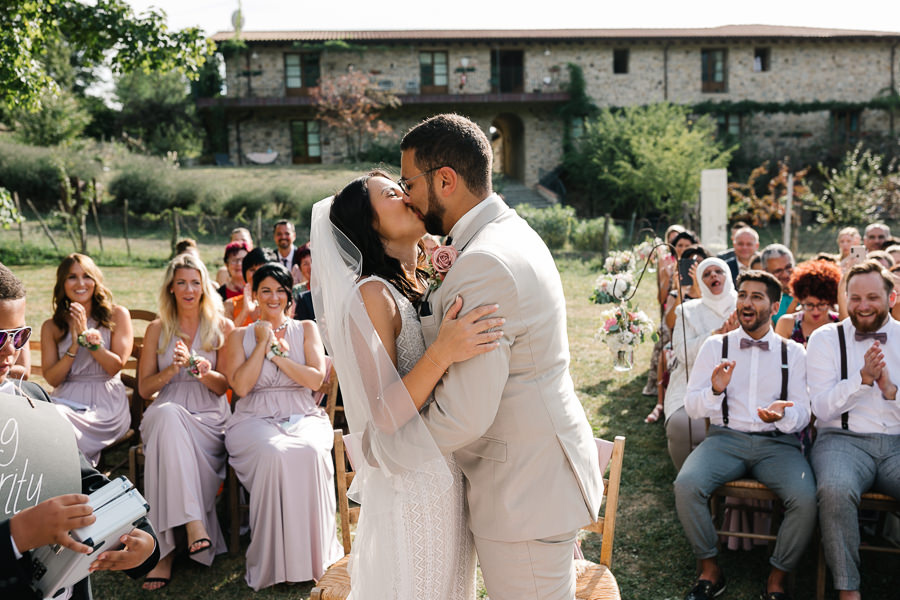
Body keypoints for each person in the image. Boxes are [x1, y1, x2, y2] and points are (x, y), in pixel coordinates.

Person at [393, 113, 603, 598]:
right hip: (536, 478)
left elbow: (464, 414)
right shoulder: (509, 232)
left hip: (522, 491)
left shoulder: (483, 262)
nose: (405, 197)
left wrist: (388, 452)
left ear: (445, 180)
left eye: (408, 183)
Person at [313, 170, 506, 599]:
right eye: (391, 195)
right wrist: (443, 352)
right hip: (417, 486)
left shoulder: (417, 282)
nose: (406, 196)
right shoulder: (372, 295)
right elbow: (383, 412)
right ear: (370, 223)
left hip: (449, 467)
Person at [0, 262, 159, 599]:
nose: (11, 351)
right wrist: (17, 536)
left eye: (19, 336)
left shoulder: (33, 399)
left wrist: (142, 537)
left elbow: (84, 479)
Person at [674, 270, 816, 600]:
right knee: (686, 485)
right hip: (725, 439)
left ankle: (777, 578)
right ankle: (710, 569)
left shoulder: (793, 354)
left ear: (775, 305)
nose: (746, 303)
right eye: (742, 295)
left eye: (756, 296)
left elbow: (804, 414)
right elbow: (693, 407)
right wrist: (713, 389)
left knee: (806, 499)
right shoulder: (715, 345)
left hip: (777, 444)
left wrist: (782, 415)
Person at [224, 263, 342, 590]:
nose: (273, 297)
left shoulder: (306, 329)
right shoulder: (238, 336)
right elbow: (243, 388)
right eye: (266, 290)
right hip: (253, 418)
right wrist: (262, 344)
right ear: (255, 296)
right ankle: (274, 565)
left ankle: (312, 561)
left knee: (309, 450)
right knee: (273, 453)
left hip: (302, 412)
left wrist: (278, 358)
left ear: (289, 296)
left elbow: (316, 379)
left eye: (280, 290)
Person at [137, 253, 233, 590]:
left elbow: (225, 386)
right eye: (181, 283)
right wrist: (172, 370)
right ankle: (193, 524)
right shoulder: (157, 329)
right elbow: (145, 388)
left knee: (169, 434)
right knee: (166, 417)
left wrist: (199, 369)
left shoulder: (222, 327)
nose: (189, 289)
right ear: (171, 289)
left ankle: (162, 552)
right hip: (166, 409)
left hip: (209, 417)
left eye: (195, 282)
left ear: (204, 287)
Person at [806, 260, 900, 600]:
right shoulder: (825, 339)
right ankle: (848, 591)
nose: (862, 306)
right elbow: (820, 409)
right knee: (834, 489)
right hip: (841, 442)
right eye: (855, 297)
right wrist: (860, 383)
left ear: (892, 297)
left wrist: (892, 392)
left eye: (872, 297)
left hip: (898, 443)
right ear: (845, 298)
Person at [40, 254, 133, 466]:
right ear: (63, 284)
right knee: (46, 421)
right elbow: (53, 379)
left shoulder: (118, 315)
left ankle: (78, 480)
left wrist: (87, 339)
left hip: (106, 403)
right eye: (72, 277)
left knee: (58, 426)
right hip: (65, 398)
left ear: (96, 280)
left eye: (87, 276)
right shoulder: (51, 326)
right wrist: (74, 345)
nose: (81, 283)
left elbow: (114, 367)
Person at [660, 257, 737, 470]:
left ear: (727, 276)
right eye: (706, 273)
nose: (713, 275)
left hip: (740, 382)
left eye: (718, 271)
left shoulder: (745, 305)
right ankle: (689, 480)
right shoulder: (688, 311)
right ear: (701, 283)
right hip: (692, 379)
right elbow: (683, 353)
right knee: (682, 425)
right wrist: (717, 334)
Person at [774, 259, 842, 345]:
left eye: (822, 305)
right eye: (809, 305)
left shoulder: (840, 324)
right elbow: (777, 356)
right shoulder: (787, 323)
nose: (815, 311)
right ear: (800, 300)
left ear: (831, 301)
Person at [224, 247, 277, 327]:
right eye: (252, 270)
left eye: (262, 270)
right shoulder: (230, 305)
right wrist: (245, 311)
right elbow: (225, 337)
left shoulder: (278, 303)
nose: (257, 275)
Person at [761, 243, 797, 323]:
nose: (785, 275)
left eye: (788, 267)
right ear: (766, 272)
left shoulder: (808, 290)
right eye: (778, 271)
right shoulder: (763, 299)